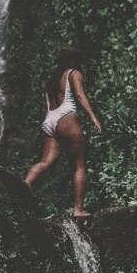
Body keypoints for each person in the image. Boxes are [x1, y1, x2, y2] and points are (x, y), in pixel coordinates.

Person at [24, 47, 102, 220]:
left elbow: (47, 107)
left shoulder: (50, 81)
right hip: (66, 117)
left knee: (45, 162)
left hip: (49, 119)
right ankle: (78, 209)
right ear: (75, 60)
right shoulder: (73, 73)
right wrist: (93, 117)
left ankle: (25, 187)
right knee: (79, 164)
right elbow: (80, 97)